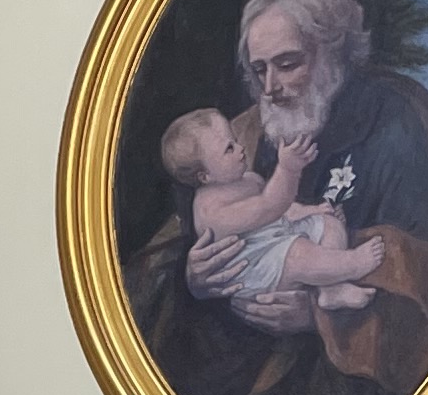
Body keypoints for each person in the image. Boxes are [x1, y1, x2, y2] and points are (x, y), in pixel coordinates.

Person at [131, 0, 428, 395]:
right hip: (239, 368)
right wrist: (195, 276)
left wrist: (320, 317)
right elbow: (168, 254)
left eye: (288, 64)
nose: (271, 87)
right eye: (259, 70)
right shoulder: (243, 135)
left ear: (334, 50)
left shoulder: (395, 118)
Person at [157, 102, 384, 322]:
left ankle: (330, 287)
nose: (240, 148)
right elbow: (269, 206)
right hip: (257, 267)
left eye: (235, 140)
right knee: (299, 253)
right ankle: (353, 264)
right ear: (205, 176)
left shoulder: (247, 179)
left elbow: (284, 210)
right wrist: (288, 170)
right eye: (229, 148)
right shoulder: (210, 210)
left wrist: (311, 210)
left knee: (329, 224)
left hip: (276, 237)